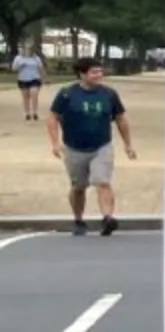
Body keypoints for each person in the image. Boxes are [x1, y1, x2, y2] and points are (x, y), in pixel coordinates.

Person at [47, 59, 134, 238]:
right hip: (74, 148)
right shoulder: (66, 94)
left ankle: (107, 218)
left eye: (100, 71)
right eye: (94, 72)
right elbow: (53, 117)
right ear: (82, 74)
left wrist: (128, 144)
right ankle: (78, 220)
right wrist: (55, 143)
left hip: (102, 146)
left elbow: (121, 119)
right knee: (78, 187)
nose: (98, 75)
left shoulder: (109, 94)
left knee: (102, 181)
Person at [13, 44, 43, 122]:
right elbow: (14, 68)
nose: (28, 51)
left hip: (34, 78)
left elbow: (40, 68)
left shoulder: (36, 58)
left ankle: (35, 112)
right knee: (25, 97)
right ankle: (27, 113)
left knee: (34, 93)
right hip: (23, 79)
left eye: (29, 49)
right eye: (26, 49)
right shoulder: (18, 58)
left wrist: (42, 78)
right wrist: (20, 66)